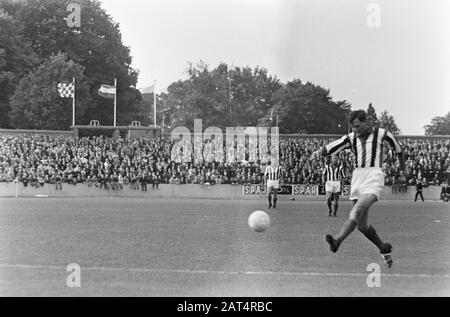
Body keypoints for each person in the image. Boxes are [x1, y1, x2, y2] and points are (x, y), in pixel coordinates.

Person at [311, 110, 404, 268]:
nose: (355, 130)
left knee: (358, 209)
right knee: (361, 225)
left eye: (357, 126)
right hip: (357, 178)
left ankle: (337, 240)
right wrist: (320, 152)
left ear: (366, 122)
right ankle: (383, 248)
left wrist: (402, 171)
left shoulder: (382, 134)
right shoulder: (352, 138)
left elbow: (399, 150)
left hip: (374, 176)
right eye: (353, 127)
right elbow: (336, 145)